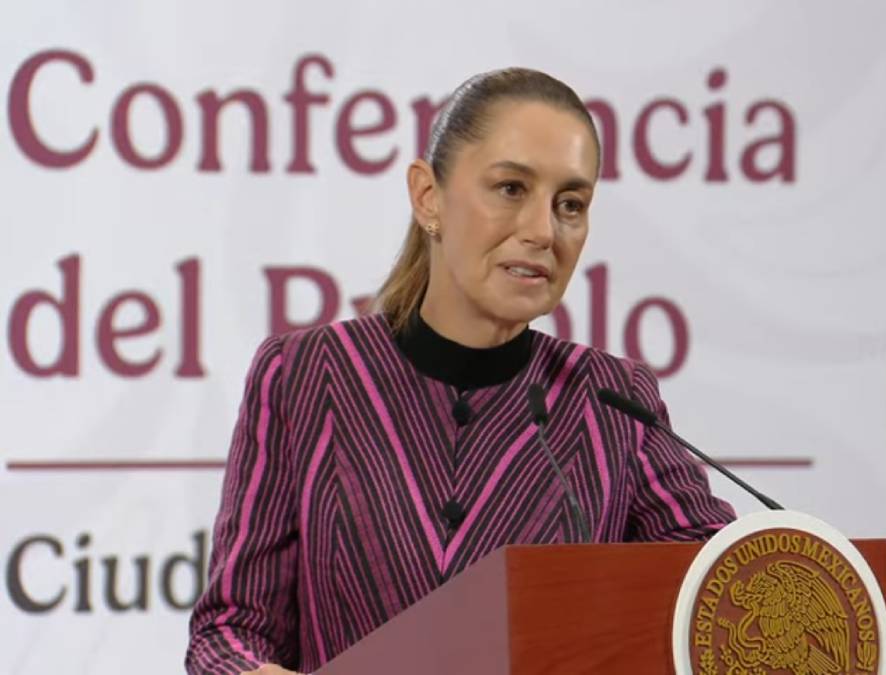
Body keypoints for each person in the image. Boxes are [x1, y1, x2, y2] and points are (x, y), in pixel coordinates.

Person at [185, 68, 736, 675]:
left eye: (570, 205)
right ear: (428, 196)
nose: (542, 231)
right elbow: (227, 633)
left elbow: (721, 594)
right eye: (510, 189)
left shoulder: (612, 400)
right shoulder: (303, 375)